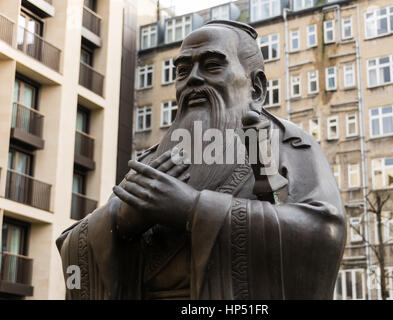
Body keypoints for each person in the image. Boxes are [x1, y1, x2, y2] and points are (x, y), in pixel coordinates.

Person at [57, 20, 346, 300]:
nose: (193, 78)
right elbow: (70, 242)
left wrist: (193, 209)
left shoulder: (284, 143)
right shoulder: (152, 159)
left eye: (212, 66)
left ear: (255, 87)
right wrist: (117, 222)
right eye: (183, 71)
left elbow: (323, 230)